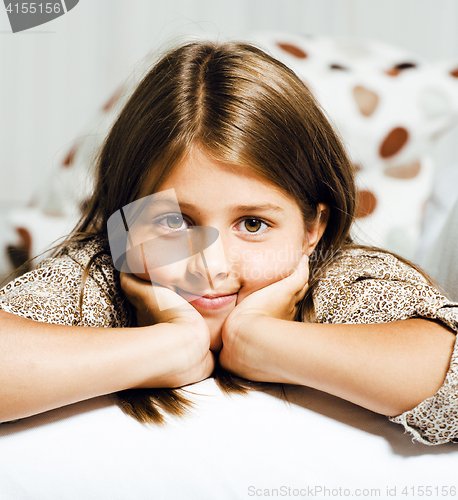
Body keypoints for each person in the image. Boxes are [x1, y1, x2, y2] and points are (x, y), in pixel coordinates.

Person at [0, 40, 457, 445]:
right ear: (122, 227)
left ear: (311, 231)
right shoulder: (101, 276)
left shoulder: (341, 279)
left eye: (253, 224)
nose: (211, 266)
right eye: (175, 222)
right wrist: (175, 345)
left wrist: (256, 337)